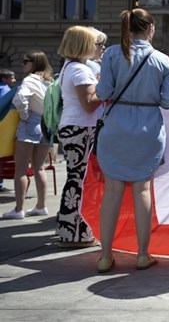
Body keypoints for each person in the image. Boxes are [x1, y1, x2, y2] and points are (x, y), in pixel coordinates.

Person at [95, 8, 169, 272]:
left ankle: (105, 256)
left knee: (112, 192)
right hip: (147, 129)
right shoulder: (162, 60)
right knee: (142, 190)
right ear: (150, 28)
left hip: (116, 126)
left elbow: (104, 91)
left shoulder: (110, 54)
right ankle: (143, 253)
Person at [56, 26, 104, 247]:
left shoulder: (70, 67)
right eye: (95, 43)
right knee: (79, 179)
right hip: (81, 127)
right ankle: (75, 231)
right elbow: (89, 105)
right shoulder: (79, 70)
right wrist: (105, 87)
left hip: (73, 126)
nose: (98, 48)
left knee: (75, 178)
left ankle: (70, 229)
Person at [3, 52, 53, 219]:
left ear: (35, 63)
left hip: (31, 122)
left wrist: (24, 116)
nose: (23, 64)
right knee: (39, 168)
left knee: (21, 169)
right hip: (46, 125)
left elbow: (20, 99)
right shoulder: (49, 81)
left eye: (26, 61)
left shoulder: (30, 80)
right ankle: (41, 206)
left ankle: (19, 209)